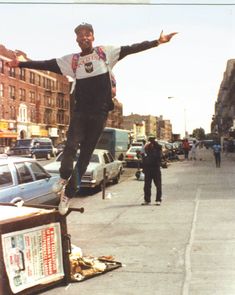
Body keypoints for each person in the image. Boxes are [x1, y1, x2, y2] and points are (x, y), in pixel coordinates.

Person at [6, 23, 177, 215]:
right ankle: (63, 178)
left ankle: (67, 196)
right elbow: (46, 64)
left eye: (87, 35)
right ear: (77, 40)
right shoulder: (72, 61)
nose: (84, 38)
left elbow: (131, 48)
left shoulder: (106, 53)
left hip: (100, 114)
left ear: (93, 37)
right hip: (80, 112)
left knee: (85, 158)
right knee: (70, 145)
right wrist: (19, 64)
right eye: (80, 36)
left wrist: (157, 42)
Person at [142, 135, 162, 206]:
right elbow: (144, 157)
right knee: (147, 186)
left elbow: (159, 156)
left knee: (158, 185)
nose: (151, 141)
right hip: (148, 169)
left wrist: (154, 144)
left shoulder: (158, 147)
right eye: (150, 139)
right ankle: (147, 200)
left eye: (152, 139)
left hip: (155, 168)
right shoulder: (147, 147)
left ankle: (158, 200)